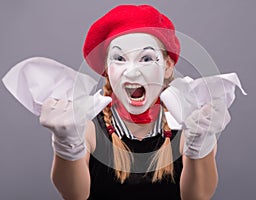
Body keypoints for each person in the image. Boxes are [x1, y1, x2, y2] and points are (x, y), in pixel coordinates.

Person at [39, 5, 231, 200]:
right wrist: (66, 143)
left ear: (167, 67)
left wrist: (201, 143)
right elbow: (75, 195)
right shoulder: (88, 126)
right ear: (107, 69)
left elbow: (197, 197)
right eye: (119, 59)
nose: (131, 72)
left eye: (146, 58)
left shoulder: (191, 122)